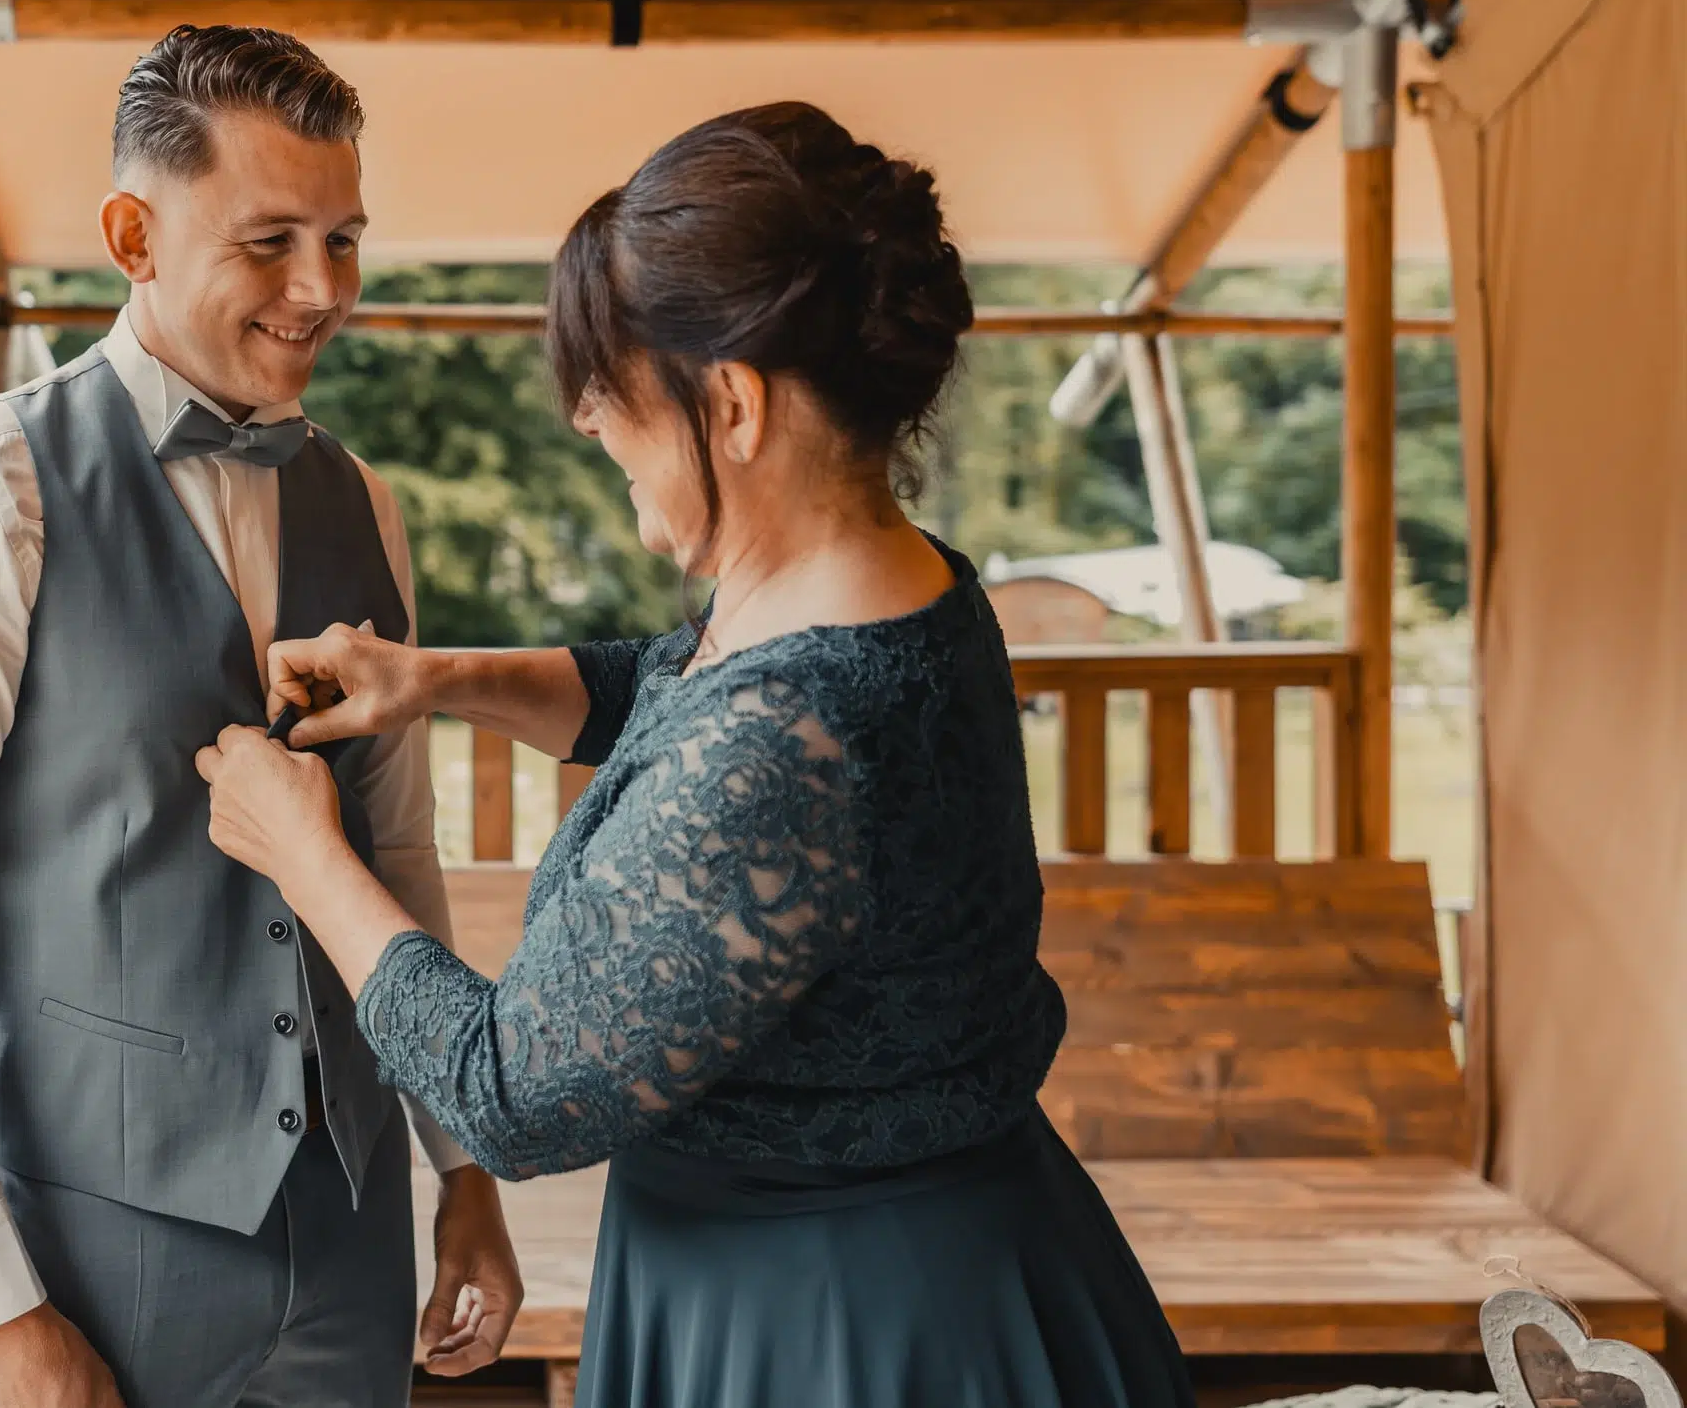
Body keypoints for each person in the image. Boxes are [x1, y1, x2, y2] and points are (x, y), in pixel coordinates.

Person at [196, 101, 1197, 1407]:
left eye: (611, 397)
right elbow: (668, 685)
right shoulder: (894, 587)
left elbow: (509, 1091)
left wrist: (304, 850)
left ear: (729, 402)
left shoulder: (779, 748)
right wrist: (436, 680)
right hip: (966, 1250)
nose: (589, 427)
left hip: (839, 1328)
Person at [0, 24, 522, 1408]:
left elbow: (394, 859)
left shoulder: (364, 503)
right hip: (83, 1259)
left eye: (345, 239)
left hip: (352, 1242)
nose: (321, 289)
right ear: (133, 232)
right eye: (269, 242)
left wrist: (462, 1164)